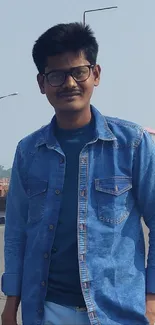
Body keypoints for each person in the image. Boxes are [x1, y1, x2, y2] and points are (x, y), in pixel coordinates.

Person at [1, 22, 155, 325]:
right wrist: (10, 305)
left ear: (95, 74)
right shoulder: (29, 151)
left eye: (79, 72)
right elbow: (17, 231)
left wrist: (151, 301)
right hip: (47, 311)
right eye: (56, 75)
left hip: (117, 311)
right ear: (41, 83)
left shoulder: (133, 144)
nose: (69, 83)